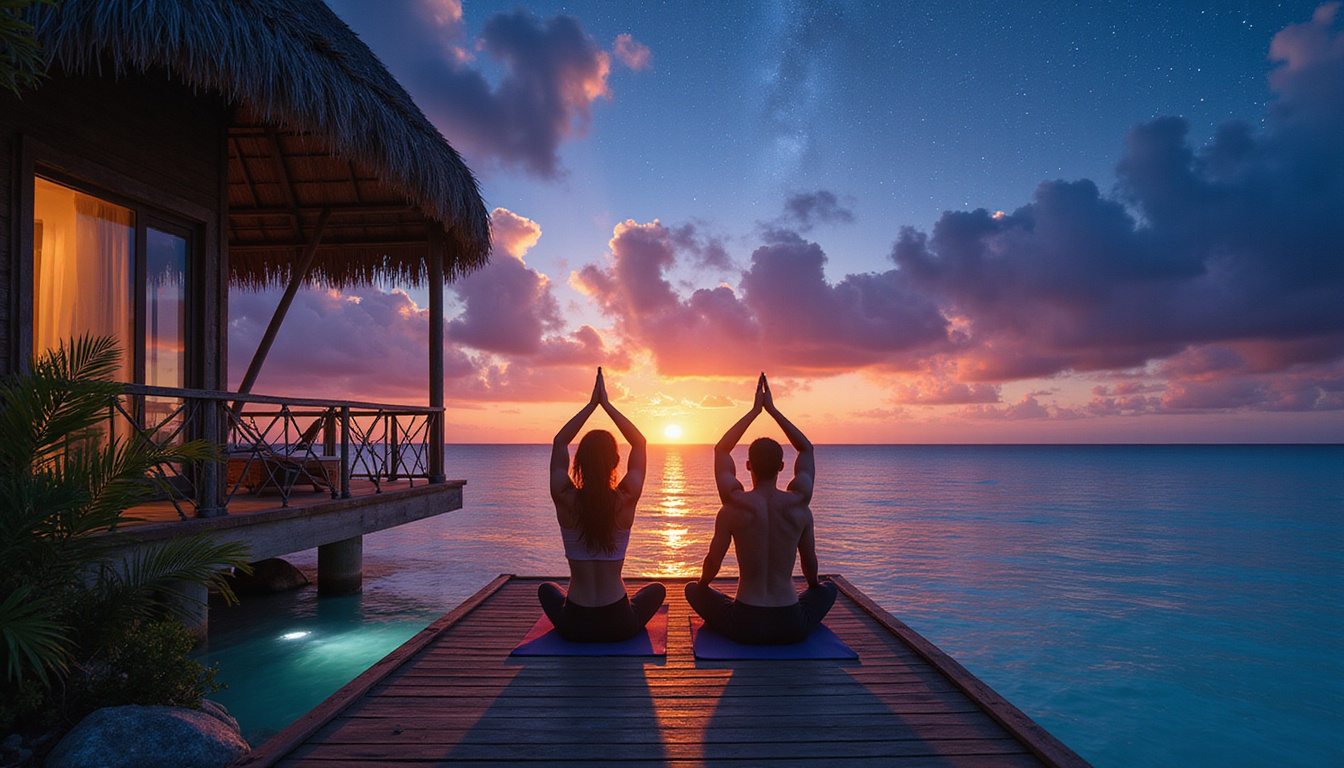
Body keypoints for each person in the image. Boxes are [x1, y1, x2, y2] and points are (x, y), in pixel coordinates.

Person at [685, 373, 837, 644]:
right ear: (781, 467)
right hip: (791, 624)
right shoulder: (800, 504)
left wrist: (755, 411)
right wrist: (773, 411)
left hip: (745, 623)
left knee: (692, 591)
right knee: (828, 590)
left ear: (747, 466)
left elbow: (721, 450)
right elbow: (806, 449)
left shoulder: (733, 505)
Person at [539, 368, 665, 642]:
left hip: (574, 624)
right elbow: (640, 443)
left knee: (546, 589)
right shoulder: (626, 497)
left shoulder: (564, 496)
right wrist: (607, 405)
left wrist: (591, 405)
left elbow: (560, 441)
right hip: (619, 622)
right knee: (656, 589)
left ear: (578, 463)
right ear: (616, 463)